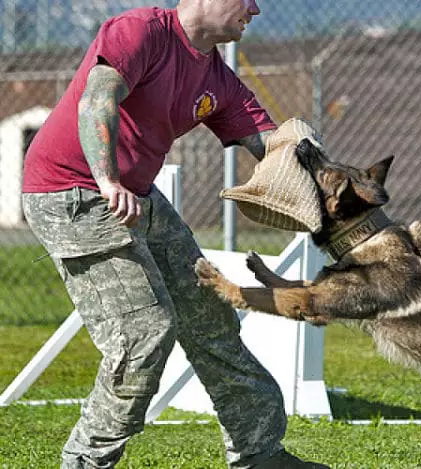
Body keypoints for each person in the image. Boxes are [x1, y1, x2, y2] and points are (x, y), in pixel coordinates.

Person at [21, 1, 329, 468]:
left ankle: (260, 455)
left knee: (211, 318)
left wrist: (322, 172)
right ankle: (82, 463)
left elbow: (270, 145)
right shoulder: (140, 31)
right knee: (144, 332)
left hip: (136, 194)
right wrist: (107, 180)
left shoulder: (216, 78)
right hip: (72, 192)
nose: (257, 8)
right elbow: (97, 99)